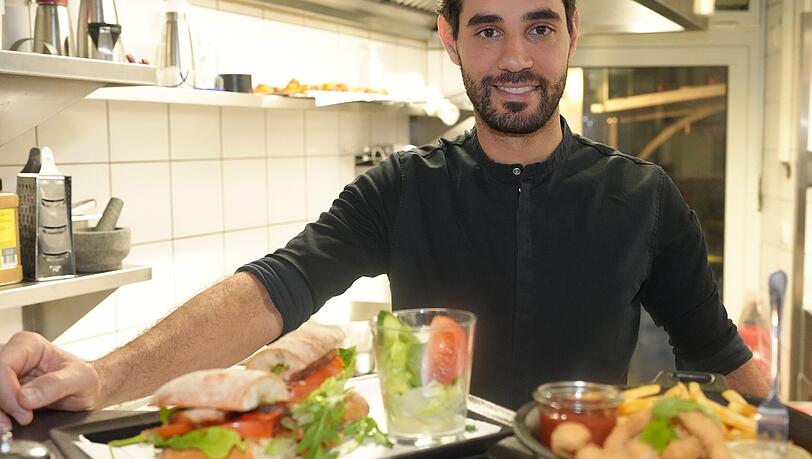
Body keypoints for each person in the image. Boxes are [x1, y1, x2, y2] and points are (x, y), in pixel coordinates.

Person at [0, 0, 769, 427]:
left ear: (573, 35)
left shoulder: (643, 197)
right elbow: (273, 289)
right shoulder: (404, 186)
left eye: (539, 27)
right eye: (486, 29)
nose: (513, 60)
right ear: (450, 40)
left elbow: (727, 361)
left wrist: (789, 415)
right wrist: (102, 373)